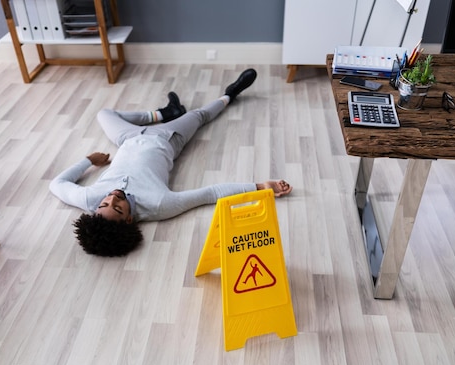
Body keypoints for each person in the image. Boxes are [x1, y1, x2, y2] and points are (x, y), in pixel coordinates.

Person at [49, 68, 293, 257]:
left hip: (127, 139)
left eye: (105, 203)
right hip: (167, 139)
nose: (113, 197)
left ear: (95, 210)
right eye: (118, 207)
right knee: (198, 115)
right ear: (129, 219)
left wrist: (88, 161)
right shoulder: (159, 205)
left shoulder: (89, 201)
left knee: (104, 114)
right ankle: (230, 94)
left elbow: (57, 184)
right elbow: (210, 193)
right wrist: (261, 186)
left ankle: (163, 113)